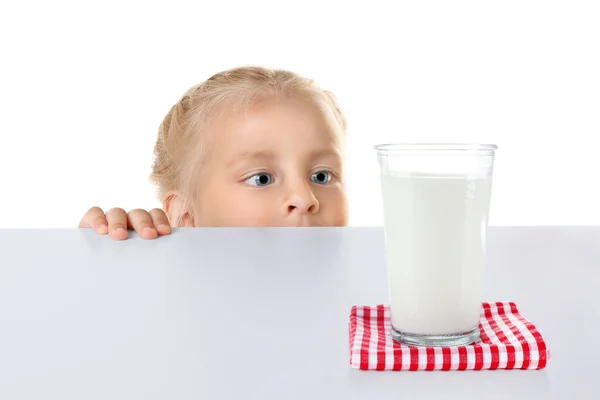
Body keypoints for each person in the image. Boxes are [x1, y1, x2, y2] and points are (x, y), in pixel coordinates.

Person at [78, 66, 349, 240]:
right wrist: (100, 261)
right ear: (186, 217)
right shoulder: (176, 299)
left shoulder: (375, 300)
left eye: (322, 176)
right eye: (261, 179)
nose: (304, 199)